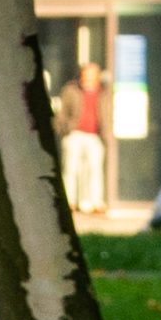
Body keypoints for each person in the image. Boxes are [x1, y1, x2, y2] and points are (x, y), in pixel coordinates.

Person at [54, 60, 109, 216]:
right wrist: (63, 129)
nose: (88, 78)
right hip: (74, 134)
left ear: (97, 77)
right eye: (86, 75)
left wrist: (107, 134)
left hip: (95, 135)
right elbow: (61, 112)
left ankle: (94, 203)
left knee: (94, 169)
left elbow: (107, 114)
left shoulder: (104, 92)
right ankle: (69, 202)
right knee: (71, 169)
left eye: (91, 75)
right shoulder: (71, 90)